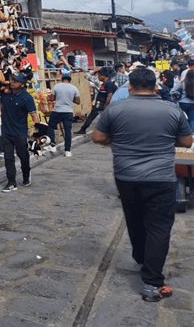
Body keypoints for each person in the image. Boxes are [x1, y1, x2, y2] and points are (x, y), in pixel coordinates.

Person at [92, 68, 192, 303]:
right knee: (158, 226)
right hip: (160, 178)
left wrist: (117, 138)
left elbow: (97, 137)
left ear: (130, 86)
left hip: (126, 177)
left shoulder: (115, 109)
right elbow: (186, 141)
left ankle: (141, 258)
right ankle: (152, 283)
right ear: (155, 86)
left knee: (135, 219)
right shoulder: (171, 110)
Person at [0, 72, 40, 192]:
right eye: (11, 80)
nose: (12, 82)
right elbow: (1, 108)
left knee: (23, 156)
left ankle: (26, 175)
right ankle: (11, 182)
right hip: (6, 131)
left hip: (20, 132)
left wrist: (36, 133)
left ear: (22, 84)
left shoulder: (26, 98)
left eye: (15, 81)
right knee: (8, 157)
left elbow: (34, 116)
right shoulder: (6, 94)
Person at [47, 73, 80, 157]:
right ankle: (67, 151)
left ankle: (52, 145)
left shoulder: (56, 86)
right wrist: (69, 99)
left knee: (51, 126)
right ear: (69, 80)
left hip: (57, 110)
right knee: (67, 131)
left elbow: (52, 98)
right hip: (68, 112)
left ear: (62, 79)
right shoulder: (74, 88)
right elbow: (78, 101)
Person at [76, 67, 117, 134]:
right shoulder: (104, 83)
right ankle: (83, 129)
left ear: (103, 76)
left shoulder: (108, 83)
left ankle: (84, 129)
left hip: (102, 104)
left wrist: (105, 106)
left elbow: (109, 95)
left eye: (98, 75)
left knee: (94, 116)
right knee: (93, 116)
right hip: (100, 103)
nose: (97, 77)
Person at [172, 67, 194, 132]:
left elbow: (173, 90)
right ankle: (192, 135)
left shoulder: (183, 82)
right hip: (193, 103)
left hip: (183, 103)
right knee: (192, 120)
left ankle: (183, 133)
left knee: (183, 119)